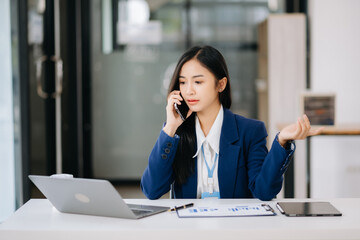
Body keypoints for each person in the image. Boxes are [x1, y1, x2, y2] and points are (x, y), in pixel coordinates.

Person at [141, 45, 322, 201]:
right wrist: (171, 127)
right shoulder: (176, 133)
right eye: (182, 83)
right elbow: (152, 190)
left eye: (198, 81)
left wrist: (281, 141)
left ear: (221, 84)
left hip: (235, 229)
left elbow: (264, 191)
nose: (189, 91)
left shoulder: (250, 131)